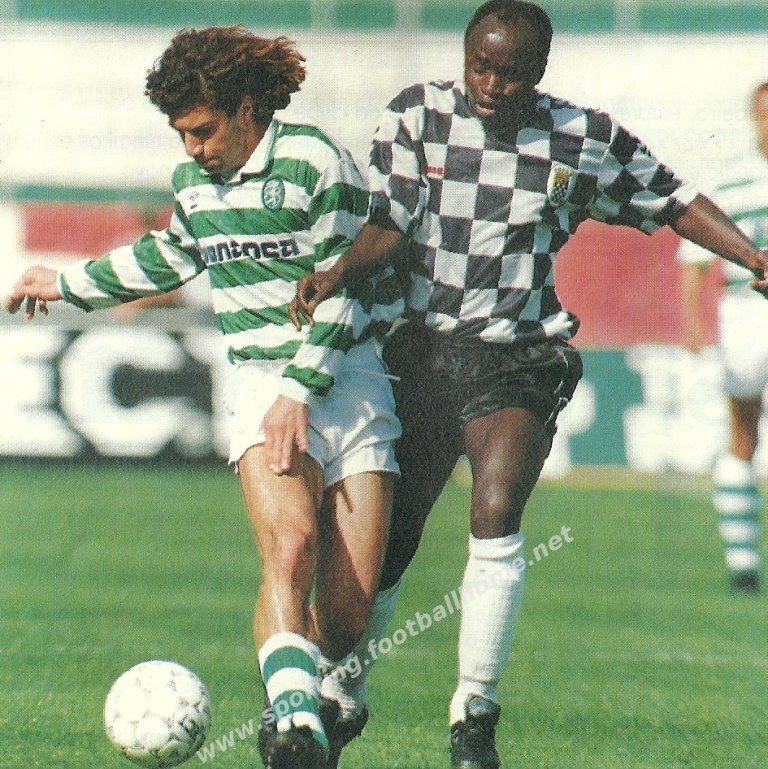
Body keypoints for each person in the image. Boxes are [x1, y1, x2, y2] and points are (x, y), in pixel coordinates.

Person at [290, 3, 768, 767]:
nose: (490, 83)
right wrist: (340, 270)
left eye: (509, 73)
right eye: (480, 65)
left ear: (538, 72)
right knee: (394, 542)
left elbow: (673, 199)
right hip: (421, 353)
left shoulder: (581, 137)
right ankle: (344, 693)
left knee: (496, 508)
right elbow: (391, 219)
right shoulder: (417, 116)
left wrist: (752, 256)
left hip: (518, 357)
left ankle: (474, 713)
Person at [3, 26, 404, 769]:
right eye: (181, 134)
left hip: (348, 377)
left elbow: (349, 284)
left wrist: (301, 390)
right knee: (290, 545)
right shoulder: (194, 184)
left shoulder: (318, 162)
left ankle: (312, 686)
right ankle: (293, 722)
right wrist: (65, 283)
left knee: (347, 618)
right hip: (259, 378)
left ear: (247, 109)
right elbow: (169, 255)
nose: (192, 148)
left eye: (203, 130)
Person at [678, 81, 768, 595]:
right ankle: (744, 564)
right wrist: (695, 328)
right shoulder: (732, 181)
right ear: (754, 118)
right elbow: (694, 259)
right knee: (742, 434)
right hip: (747, 314)